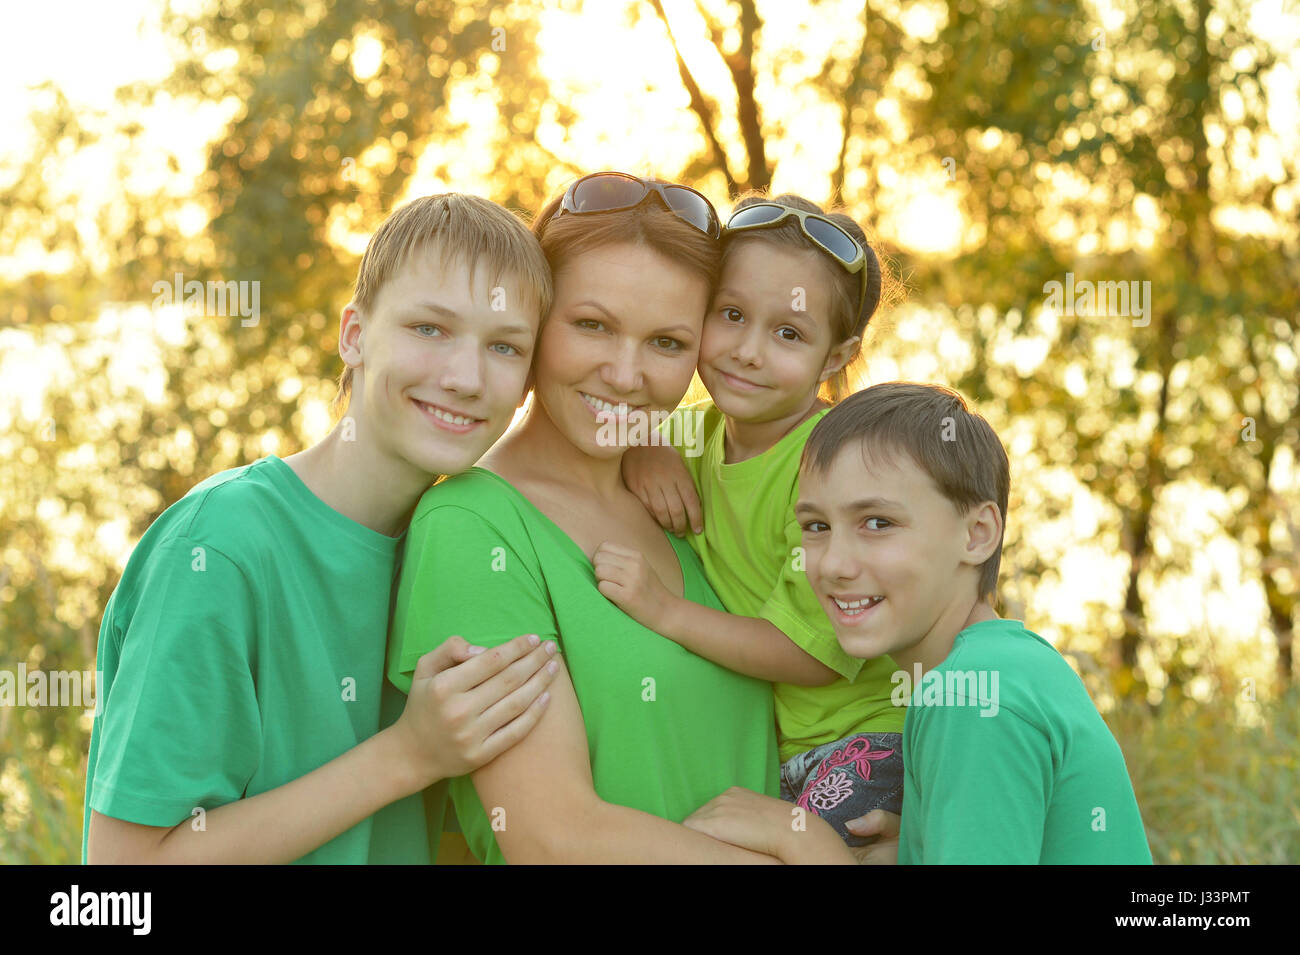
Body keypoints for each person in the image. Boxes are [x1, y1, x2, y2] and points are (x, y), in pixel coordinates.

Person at [83, 194, 560, 864]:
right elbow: (124, 878)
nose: (465, 377)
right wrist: (408, 754)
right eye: (429, 328)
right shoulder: (219, 547)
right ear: (354, 334)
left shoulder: (471, 546)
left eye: (505, 346)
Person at [387, 171, 788, 864]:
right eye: (592, 325)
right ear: (537, 321)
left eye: (666, 343)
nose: (626, 375)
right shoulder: (471, 526)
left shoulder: (696, 498)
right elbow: (554, 835)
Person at [685, 382, 1153, 864]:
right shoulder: (1004, 668)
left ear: (977, 534)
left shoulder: (973, 696)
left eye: (877, 523)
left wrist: (807, 843)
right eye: (816, 527)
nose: (833, 565)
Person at [609, 194, 905, 845]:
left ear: (835, 356)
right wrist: (643, 444)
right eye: (732, 315)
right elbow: (601, 424)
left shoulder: (832, 467)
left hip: (868, 745)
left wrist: (665, 612)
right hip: (781, 753)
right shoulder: (697, 430)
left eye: (788, 333)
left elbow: (811, 654)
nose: (747, 351)